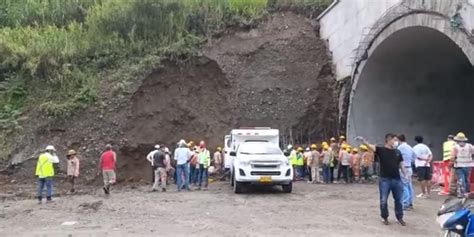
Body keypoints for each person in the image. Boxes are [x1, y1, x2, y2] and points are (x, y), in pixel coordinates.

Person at [357, 134, 406, 226]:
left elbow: (401, 164)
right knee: (383, 200)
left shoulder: (398, 152)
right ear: (388, 140)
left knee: (399, 200)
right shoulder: (381, 150)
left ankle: (399, 217)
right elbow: (370, 146)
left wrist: (405, 174)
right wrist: (364, 141)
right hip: (385, 179)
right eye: (394, 140)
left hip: (397, 179)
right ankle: (385, 217)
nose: (396, 142)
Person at [451, 132, 474, 198]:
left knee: (461, 179)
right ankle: (467, 192)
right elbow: (473, 154)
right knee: (467, 179)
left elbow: (453, 157)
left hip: (459, 165)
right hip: (468, 165)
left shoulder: (455, 147)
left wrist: (452, 162)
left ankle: (461, 193)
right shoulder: (470, 146)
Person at [396, 134, 416, 210]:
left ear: (398, 140)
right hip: (409, 167)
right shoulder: (409, 147)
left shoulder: (400, 148)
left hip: (403, 168)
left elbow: (396, 157)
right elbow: (414, 156)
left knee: (404, 186)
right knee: (409, 185)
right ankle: (410, 202)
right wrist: (410, 161)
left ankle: (405, 203)